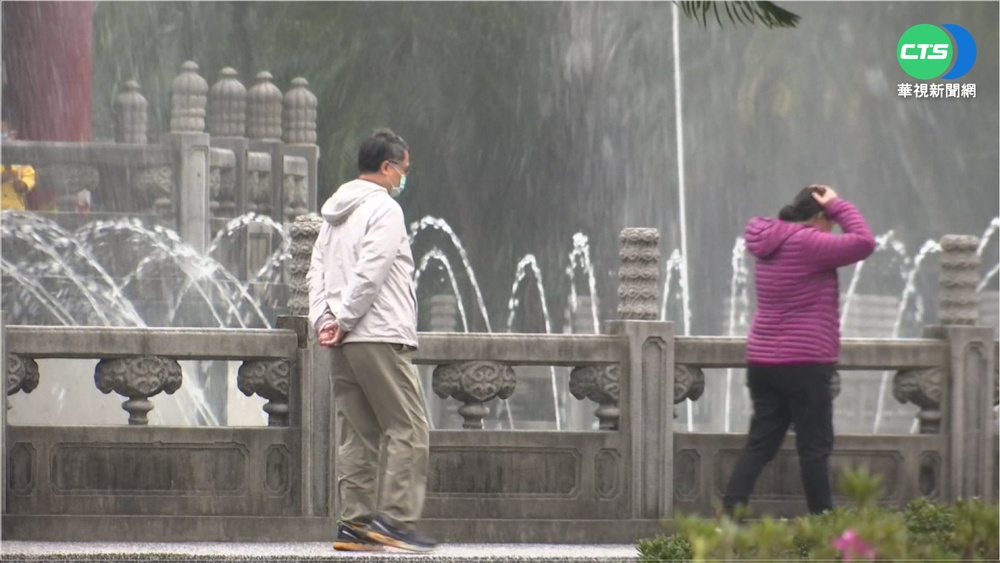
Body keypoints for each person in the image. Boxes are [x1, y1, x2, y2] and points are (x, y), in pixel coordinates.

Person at [307, 128, 435, 553]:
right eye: (404, 169)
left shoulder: (333, 215)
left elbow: (317, 275)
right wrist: (342, 320)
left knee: (358, 433)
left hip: (343, 342)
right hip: (378, 334)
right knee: (410, 427)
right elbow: (372, 270)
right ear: (386, 167)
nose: (404, 177)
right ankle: (395, 521)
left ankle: (355, 525)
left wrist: (325, 320)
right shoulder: (384, 210)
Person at [722, 185, 876, 517]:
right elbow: (864, 242)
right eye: (830, 220)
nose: (833, 227)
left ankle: (729, 515)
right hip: (804, 364)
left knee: (760, 445)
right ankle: (824, 524)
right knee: (814, 449)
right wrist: (838, 205)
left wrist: (830, 209)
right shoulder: (809, 241)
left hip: (763, 362)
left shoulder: (768, 242)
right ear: (819, 217)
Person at [1, 120, 36, 211]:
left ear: (12, 135)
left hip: (15, 212)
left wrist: (19, 184)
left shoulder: (20, 157)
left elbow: (29, 178)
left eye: (2, 132)